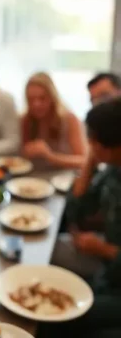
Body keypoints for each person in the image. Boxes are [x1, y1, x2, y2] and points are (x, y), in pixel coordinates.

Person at [47, 98, 121, 337]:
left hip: (115, 283)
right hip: (107, 274)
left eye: (94, 140)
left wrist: (105, 250)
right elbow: (77, 209)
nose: (90, 143)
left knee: (57, 320)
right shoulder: (113, 168)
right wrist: (91, 160)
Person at [21, 72, 87, 170]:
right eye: (31, 99)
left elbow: (83, 160)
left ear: (52, 97)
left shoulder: (69, 119)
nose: (36, 104)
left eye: (42, 98)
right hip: (35, 178)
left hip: (63, 179)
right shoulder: (26, 120)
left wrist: (50, 156)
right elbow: (22, 158)